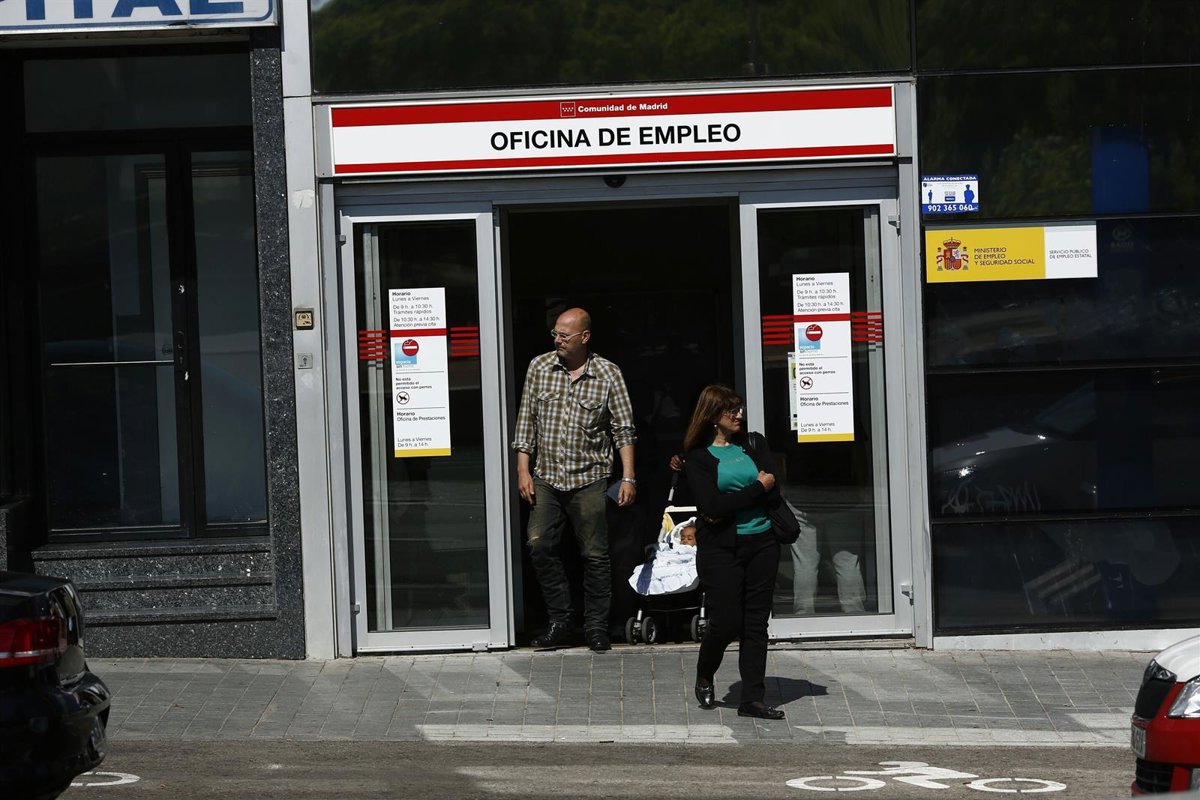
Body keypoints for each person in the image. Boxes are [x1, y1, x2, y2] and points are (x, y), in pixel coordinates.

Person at [512, 307, 637, 652]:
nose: (557, 340)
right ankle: (560, 620)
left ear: (585, 337)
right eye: (555, 334)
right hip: (547, 476)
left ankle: (596, 626)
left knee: (594, 555)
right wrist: (523, 470)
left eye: (564, 336)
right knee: (539, 544)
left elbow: (623, 430)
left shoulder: (608, 373)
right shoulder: (539, 367)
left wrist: (628, 477)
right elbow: (526, 421)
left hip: (590, 477)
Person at [682, 385, 787, 720]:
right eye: (731, 409)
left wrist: (737, 500)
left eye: (739, 408)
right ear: (713, 415)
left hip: (763, 543)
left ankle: (752, 699)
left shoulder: (753, 444)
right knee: (726, 622)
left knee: (755, 624)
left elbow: (773, 491)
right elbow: (711, 506)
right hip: (721, 549)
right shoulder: (697, 457)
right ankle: (705, 672)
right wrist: (755, 488)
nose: (738, 414)